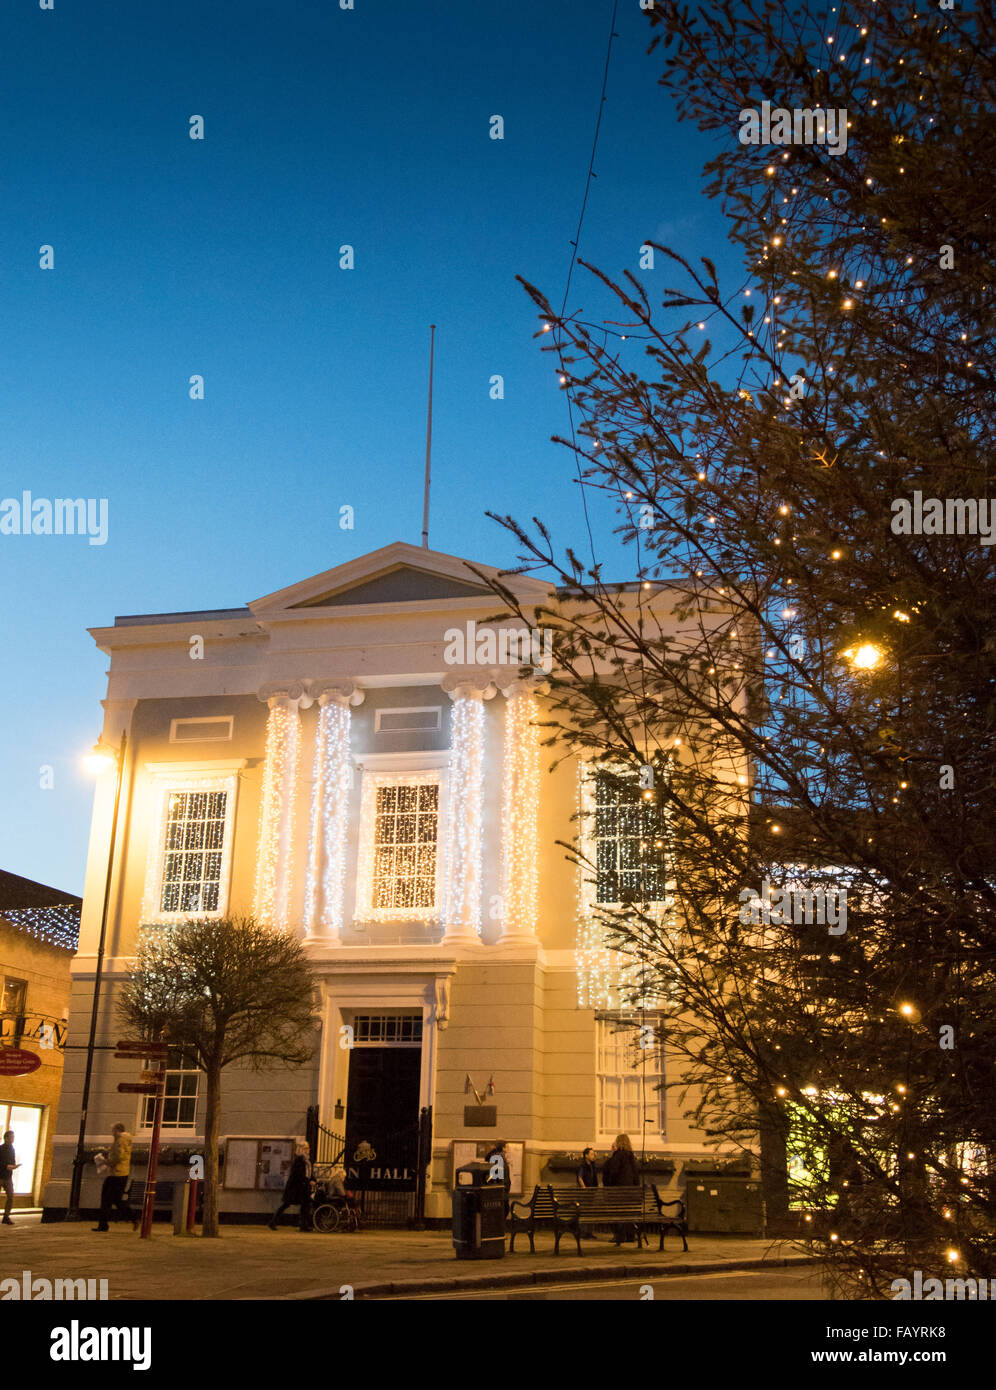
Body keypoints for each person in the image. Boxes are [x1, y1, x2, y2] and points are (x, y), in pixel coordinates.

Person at [93, 1123, 136, 1232]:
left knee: (108, 1199)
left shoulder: (120, 1141)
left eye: (113, 1130)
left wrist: (105, 1161)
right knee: (114, 1200)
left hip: (116, 1174)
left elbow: (118, 1157)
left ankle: (104, 1225)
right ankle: (130, 1218)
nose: (112, 1133)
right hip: (121, 1173)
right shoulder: (126, 1140)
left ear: (117, 1130)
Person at [601, 1133, 641, 1245]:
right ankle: (630, 1235)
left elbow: (613, 1172)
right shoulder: (631, 1156)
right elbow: (636, 1174)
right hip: (631, 1191)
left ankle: (620, 1235)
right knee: (629, 1212)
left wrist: (608, 1186)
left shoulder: (618, 1156)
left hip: (619, 1191)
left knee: (617, 1212)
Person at [269, 1140, 313, 1231]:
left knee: (304, 1205)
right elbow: (299, 1174)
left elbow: (308, 1173)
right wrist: (307, 1181)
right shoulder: (299, 1160)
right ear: (302, 1149)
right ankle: (273, 1222)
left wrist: (312, 1179)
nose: (309, 1150)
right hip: (295, 1188)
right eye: (307, 1148)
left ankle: (303, 1225)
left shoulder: (306, 1160)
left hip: (302, 1187)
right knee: (287, 1204)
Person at [485, 1141, 511, 1214]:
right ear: (503, 1148)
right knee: (503, 1212)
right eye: (507, 1147)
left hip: (500, 1191)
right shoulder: (498, 1159)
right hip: (500, 1193)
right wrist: (504, 1187)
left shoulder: (496, 1158)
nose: (508, 1149)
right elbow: (497, 1177)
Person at [0, 1130, 19, 1226]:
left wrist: (14, 1166)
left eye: (13, 1137)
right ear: (6, 1138)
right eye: (11, 1137)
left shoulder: (12, 1149)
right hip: (0, 1175)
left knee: (11, 1196)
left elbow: (12, 1160)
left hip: (8, 1177)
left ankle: (6, 1216)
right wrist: (6, 1166)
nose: (13, 1139)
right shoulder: (1, 1149)